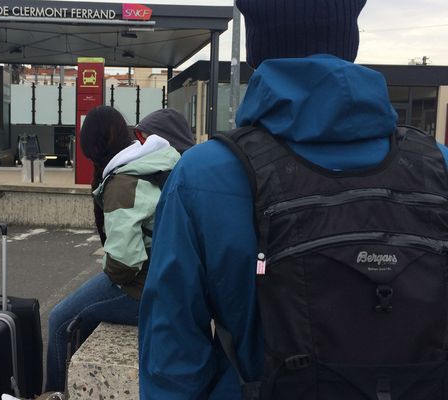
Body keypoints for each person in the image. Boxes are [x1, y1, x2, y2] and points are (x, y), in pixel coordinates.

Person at [138, 0, 448, 399]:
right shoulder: (438, 167)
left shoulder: (202, 176)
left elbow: (172, 364)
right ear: (348, 39)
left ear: (255, 48)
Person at [45, 106, 181, 393]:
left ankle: (53, 394)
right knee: (85, 309)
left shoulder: (123, 183)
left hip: (147, 291)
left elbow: (123, 264)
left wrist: (107, 268)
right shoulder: (156, 161)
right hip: (174, 281)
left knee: (60, 320)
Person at [94, 108, 195, 244]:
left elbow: (122, 256)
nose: (143, 148)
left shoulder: (131, 182)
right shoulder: (193, 172)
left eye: (148, 141)